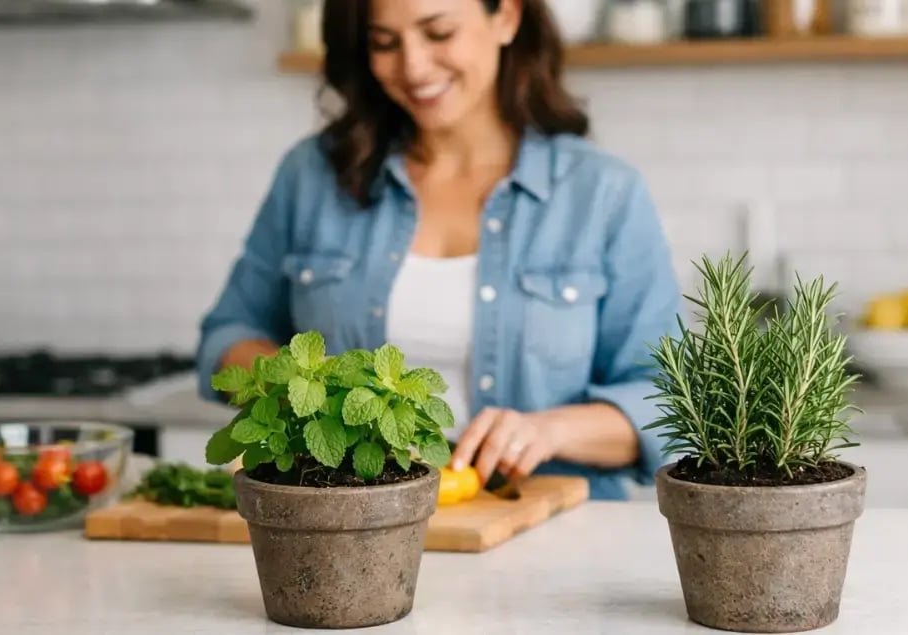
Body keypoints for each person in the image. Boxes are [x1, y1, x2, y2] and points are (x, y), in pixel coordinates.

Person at [196, 0, 682, 500]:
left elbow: (669, 408)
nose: (413, 67)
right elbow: (229, 335)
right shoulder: (312, 176)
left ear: (507, 17)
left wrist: (550, 430)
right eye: (384, 42)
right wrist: (303, 394)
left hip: (552, 536)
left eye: (440, 33)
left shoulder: (603, 192)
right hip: (347, 530)